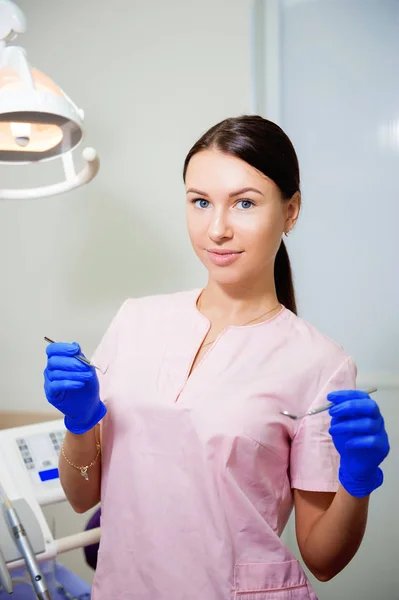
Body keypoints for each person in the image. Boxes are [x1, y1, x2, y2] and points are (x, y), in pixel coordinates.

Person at [43, 116, 390, 600]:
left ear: (291, 212)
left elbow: (324, 560)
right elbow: (83, 496)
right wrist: (79, 424)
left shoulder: (320, 364)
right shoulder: (135, 321)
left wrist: (358, 480)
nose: (218, 228)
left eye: (244, 203)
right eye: (200, 202)